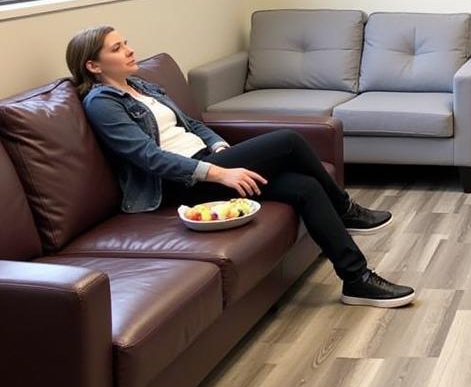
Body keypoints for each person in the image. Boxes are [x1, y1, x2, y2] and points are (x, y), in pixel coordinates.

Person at [67, 25, 415, 309]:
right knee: (288, 141)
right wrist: (219, 172)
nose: (128, 49)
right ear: (93, 66)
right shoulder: (103, 103)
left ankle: (357, 281)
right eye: (116, 48)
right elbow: (147, 157)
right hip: (178, 183)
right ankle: (345, 209)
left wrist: (219, 147)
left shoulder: (142, 86)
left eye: (125, 42)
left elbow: (191, 123)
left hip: (208, 160)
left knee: (304, 188)